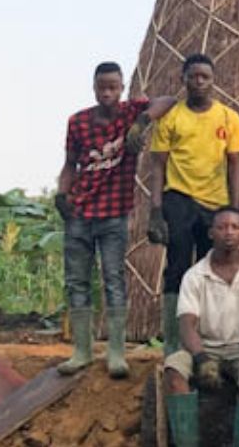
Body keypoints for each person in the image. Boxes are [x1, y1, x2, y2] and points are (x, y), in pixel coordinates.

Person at [55, 61, 173, 378]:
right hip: (80, 211)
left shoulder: (130, 112)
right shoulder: (77, 122)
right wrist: (61, 193)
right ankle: (81, 351)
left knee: (114, 279)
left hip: (113, 214)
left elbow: (168, 101)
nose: (107, 92)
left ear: (122, 89)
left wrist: (142, 122)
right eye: (101, 87)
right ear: (94, 88)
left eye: (113, 87)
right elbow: (70, 164)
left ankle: (116, 353)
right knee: (77, 280)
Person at [147, 53, 239, 352]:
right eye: (193, 77)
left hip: (215, 203)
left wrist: (235, 207)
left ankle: (207, 337)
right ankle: (174, 343)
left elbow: (234, 166)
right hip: (179, 198)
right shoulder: (172, 118)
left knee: (211, 267)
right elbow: (158, 166)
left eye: (205, 77)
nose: (199, 82)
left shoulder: (229, 118)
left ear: (213, 82)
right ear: (183, 80)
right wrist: (155, 210)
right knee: (177, 265)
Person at [163, 207, 239, 447]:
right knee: (173, 371)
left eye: (235, 227)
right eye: (222, 227)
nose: (229, 232)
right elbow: (186, 324)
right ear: (211, 233)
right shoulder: (194, 275)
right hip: (204, 348)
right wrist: (201, 357)